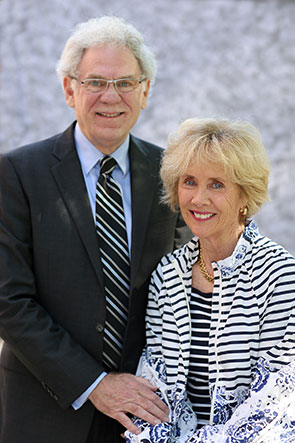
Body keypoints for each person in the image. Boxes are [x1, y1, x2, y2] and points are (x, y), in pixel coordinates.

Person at [0, 16, 192, 443]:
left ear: (145, 92)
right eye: (95, 82)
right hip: (44, 411)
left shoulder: (173, 175)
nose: (111, 96)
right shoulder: (16, 174)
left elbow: (191, 284)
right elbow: (8, 301)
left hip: (146, 415)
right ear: (70, 90)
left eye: (126, 83)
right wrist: (94, 384)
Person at [124, 117, 295, 442]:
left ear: (245, 195)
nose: (198, 198)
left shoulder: (280, 275)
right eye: (189, 181)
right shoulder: (169, 274)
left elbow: (273, 406)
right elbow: (154, 389)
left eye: (217, 184)